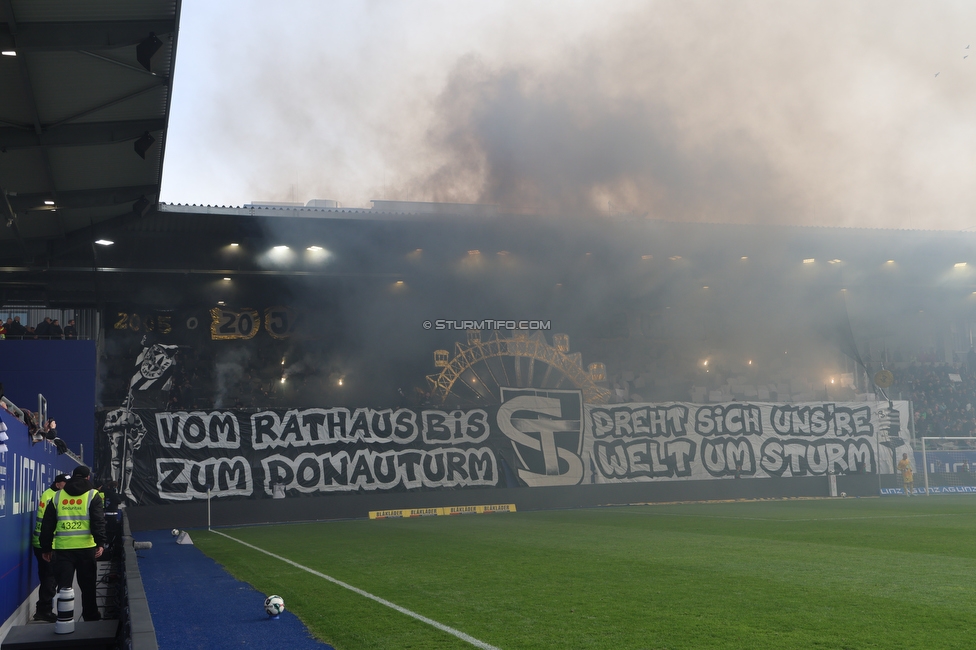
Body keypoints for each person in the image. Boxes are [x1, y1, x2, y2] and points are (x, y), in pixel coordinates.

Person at [39, 465, 107, 622]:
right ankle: (91, 617)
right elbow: (98, 521)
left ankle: (64, 618)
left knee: (64, 588)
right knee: (88, 587)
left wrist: (46, 547)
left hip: (63, 549)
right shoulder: (93, 495)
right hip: (86, 548)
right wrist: (100, 542)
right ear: (88, 477)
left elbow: (47, 524)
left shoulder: (57, 496)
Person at [31, 473, 69, 622]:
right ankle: (44, 610)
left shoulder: (50, 494)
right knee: (50, 578)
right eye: (65, 483)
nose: (67, 486)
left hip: (42, 542)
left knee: (47, 577)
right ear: (58, 483)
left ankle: (43, 609)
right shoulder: (52, 497)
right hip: (47, 544)